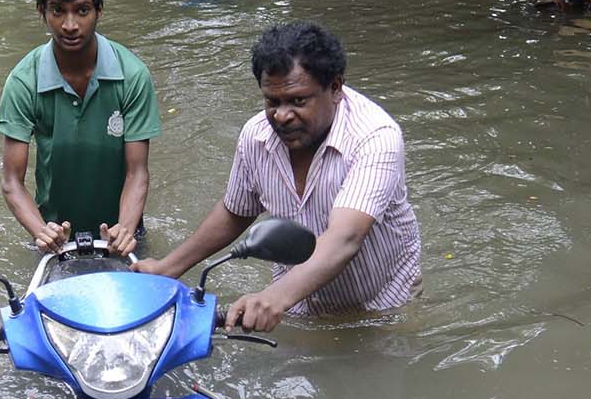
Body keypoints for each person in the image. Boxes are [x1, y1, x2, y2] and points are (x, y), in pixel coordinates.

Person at [139, 21, 420, 329]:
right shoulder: (256, 136)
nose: (282, 116)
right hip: (296, 306)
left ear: (336, 88)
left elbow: (345, 237)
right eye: (273, 102)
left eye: (298, 101)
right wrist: (168, 268)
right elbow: (235, 212)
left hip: (382, 309)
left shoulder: (375, 137)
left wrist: (273, 298)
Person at [0, 0, 160, 257]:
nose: (70, 25)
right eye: (58, 10)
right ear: (41, 10)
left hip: (122, 233)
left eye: (82, 10)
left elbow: (137, 172)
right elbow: (11, 181)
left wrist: (124, 231)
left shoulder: (133, 76)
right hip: (54, 236)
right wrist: (40, 231)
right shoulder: (23, 82)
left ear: (99, 9)